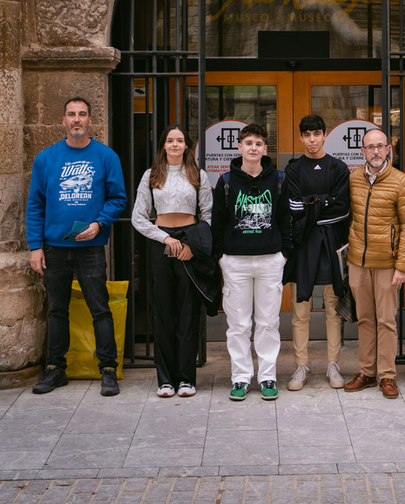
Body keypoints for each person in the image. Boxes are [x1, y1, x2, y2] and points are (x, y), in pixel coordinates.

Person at [27, 97, 127, 397]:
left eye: (82, 114)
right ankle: (56, 369)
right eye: (71, 114)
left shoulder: (106, 156)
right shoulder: (45, 159)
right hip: (54, 248)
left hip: (91, 247)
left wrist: (99, 223)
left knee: (100, 309)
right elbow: (35, 205)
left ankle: (108, 370)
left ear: (90, 121)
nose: (77, 120)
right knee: (57, 310)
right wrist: (35, 246)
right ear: (63, 121)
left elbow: (118, 198)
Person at [131, 125, 214, 398]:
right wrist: (165, 239)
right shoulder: (152, 175)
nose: (175, 144)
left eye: (180, 140)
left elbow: (209, 215)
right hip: (161, 242)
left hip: (190, 243)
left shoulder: (197, 174)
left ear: (187, 146)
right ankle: (165, 380)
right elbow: (139, 217)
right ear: (163, 145)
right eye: (170, 140)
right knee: (164, 312)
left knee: (188, 312)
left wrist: (192, 244)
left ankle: (186, 379)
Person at [211, 124, 291, 402]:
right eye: (249, 143)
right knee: (239, 325)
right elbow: (218, 223)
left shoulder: (279, 180)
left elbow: (286, 220)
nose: (254, 147)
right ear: (240, 147)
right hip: (235, 262)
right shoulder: (226, 182)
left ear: (264, 149)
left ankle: (267, 376)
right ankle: (241, 378)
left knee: (269, 322)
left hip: (270, 261)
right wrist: (222, 257)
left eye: (258, 143)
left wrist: (284, 254)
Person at [344, 128, 405, 399]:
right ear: (362, 152)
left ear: (388, 149)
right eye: (369, 147)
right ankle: (366, 371)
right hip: (358, 262)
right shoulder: (353, 179)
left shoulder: (402, 182)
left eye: (380, 146)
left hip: (388, 263)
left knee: (386, 320)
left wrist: (402, 266)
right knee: (364, 319)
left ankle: (387, 375)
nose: (375, 151)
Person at [283, 115, 350, 391]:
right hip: (303, 246)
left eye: (317, 134)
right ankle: (301, 366)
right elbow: (293, 207)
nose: (312, 139)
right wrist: (325, 202)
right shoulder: (294, 168)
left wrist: (312, 205)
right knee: (301, 311)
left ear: (325, 136)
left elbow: (343, 208)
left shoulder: (338, 167)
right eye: (307, 134)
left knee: (334, 309)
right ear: (301, 137)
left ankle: (333, 365)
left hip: (332, 245)